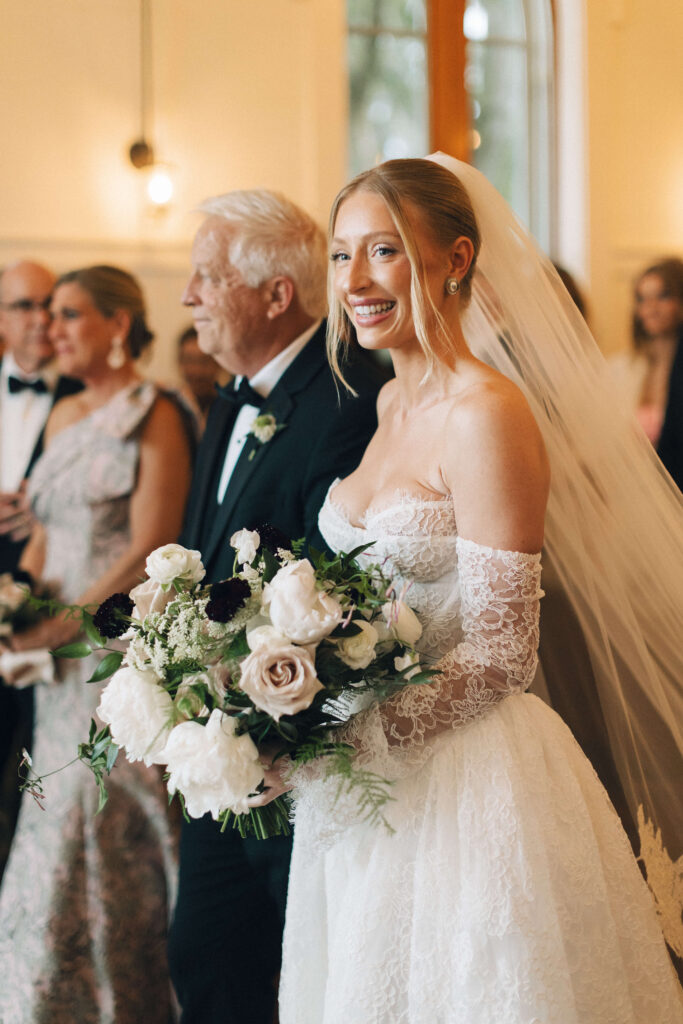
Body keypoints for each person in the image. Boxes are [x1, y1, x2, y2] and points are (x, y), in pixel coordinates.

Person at [249, 157, 683, 1022]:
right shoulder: (383, 408)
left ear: (454, 258)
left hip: (472, 783)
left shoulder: (487, 412)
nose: (357, 281)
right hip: (368, 802)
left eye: (385, 251)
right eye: (341, 257)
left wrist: (347, 736)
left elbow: (500, 652)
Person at [168, 188, 384, 1023]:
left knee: (291, 973)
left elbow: (344, 590)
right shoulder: (235, 390)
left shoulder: (349, 399)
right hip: (222, 745)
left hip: (297, 756)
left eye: (204, 276)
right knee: (204, 959)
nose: (186, 295)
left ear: (275, 295)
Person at [0, 264, 193, 1023]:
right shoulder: (59, 414)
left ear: (119, 324)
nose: (53, 328)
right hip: (49, 661)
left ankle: (129, 1000)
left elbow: (151, 542)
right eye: (48, 314)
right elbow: (44, 535)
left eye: (71, 314)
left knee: (102, 812)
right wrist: (18, 606)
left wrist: (67, 625)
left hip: (113, 651)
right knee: (45, 813)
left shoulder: (159, 413)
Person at [0, 260, 81, 879]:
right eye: (25, 306)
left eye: (50, 306)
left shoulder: (84, 399)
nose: (40, 321)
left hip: (52, 596)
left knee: (36, 758)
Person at [610, 257, 683, 490]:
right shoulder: (625, 368)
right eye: (642, 299)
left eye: (663, 296)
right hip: (636, 489)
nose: (651, 308)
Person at [177, 324, 224, 428]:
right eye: (189, 360)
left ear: (219, 363)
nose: (196, 371)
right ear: (179, 362)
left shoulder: (229, 408)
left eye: (204, 361)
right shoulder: (170, 408)